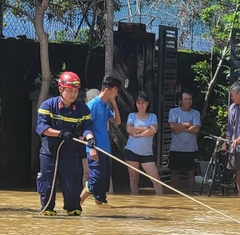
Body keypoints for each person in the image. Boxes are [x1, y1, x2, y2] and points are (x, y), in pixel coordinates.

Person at [36, 71, 97, 216]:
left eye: (75, 91)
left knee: (72, 186)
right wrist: (60, 133)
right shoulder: (48, 106)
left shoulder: (82, 109)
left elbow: (87, 127)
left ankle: (73, 211)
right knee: (47, 185)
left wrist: (90, 139)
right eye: (69, 91)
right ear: (60, 89)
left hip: (70, 154)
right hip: (50, 153)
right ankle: (47, 209)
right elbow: (41, 128)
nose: (73, 94)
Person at [80, 75, 122, 205]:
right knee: (95, 181)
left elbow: (117, 121)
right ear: (108, 89)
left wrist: (114, 102)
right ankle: (76, 203)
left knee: (103, 184)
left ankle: (100, 212)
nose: (117, 93)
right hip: (95, 148)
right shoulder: (93, 105)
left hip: (105, 148)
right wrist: (91, 147)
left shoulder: (104, 106)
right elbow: (86, 127)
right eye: (116, 90)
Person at [125, 91, 164, 196]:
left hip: (147, 153)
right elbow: (129, 129)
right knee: (133, 178)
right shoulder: (132, 115)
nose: (141, 105)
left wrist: (138, 134)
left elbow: (153, 130)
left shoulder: (152, 116)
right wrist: (145, 128)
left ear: (147, 103)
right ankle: (135, 199)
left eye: (143, 102)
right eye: (138, 102)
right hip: (132, 150)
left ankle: (161, 199)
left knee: (155, 177)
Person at [168, 90, 201, 194]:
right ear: (181, 101)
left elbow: (196, 129)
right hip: (176, 148)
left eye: (190, 99)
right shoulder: (173, 112)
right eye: (186, 99)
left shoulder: (195, 113)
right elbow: (173, 127)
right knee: (174, 172)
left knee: (191, 173)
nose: (188, 101)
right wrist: (187, 124)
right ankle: (174, 194)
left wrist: (180, 128)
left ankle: (191, 194)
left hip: (191, 148)